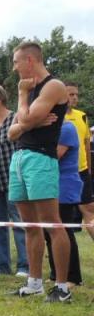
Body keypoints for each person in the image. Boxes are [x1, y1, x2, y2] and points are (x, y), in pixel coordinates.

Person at [6, 42, 71, 302]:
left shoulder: (53, 86)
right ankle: (34, 282)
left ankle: (63, 287)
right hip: (20, 158)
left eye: (16, 62)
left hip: (41, 159)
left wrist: (24, 106)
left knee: (52, 224)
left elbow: (26, 119)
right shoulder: (29, 89)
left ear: (30, 60)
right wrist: (26, 122)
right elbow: (12, 131)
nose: (14, 68)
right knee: (30, 226)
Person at [0, 85, 29, 277]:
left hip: (13, 179)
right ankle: (1, 264)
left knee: (18, 223)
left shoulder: (14, 118)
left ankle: (24, 265)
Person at [44, 119, 83, 286]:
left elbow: (55, 155)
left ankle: (73, 276)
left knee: (64, 231)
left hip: (64, 185)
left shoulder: (66, 128)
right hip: (50, 184)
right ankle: (56, 274)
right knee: (48, 232)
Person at [64, 82, 94, 241]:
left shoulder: (82, 115)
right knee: (62, 215)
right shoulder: (56, 117)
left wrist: (88, 168)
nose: (75, 98)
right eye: (71, 94)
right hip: (63, 173)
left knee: (89, 209)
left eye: (76, 94)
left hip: (82, 172)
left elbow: (86, 144)